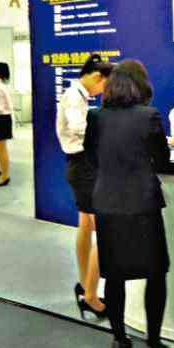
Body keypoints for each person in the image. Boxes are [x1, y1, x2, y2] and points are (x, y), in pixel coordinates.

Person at [84, 60, 174, 348]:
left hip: (108, 203)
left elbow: (91, 158)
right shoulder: (149, 116)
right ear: (141, 84)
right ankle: (154, 343)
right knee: (156, 273)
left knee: (114, 275)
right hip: (143, 204)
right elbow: (162, 161)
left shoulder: (96, 117)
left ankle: (119, 339)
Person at [56, 54, 114, 320]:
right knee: (103, 228)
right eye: (105, 85)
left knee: (86, 224)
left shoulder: (79, 96)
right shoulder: (74, 96)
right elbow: (79, 128)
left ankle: (84, 282)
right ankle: (91, 296)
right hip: (84, 166)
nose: (104, 91)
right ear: (96, 77)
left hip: (81, 165)